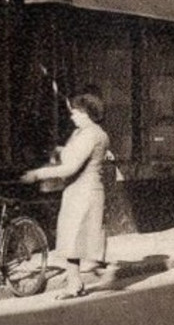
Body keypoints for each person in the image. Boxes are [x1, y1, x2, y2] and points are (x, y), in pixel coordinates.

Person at [20, 91, 111, 300]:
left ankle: (74, 283)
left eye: (76, 112)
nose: (72, 116)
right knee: (72, 238)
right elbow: (71, 153)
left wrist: (38, 174)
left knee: (75, 238)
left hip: (85, 191)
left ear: (87, 113)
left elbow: (70, 167)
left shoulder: (92, 135)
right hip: (76, 190)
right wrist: (58, 149)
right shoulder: (81, 133)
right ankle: (75, 281)